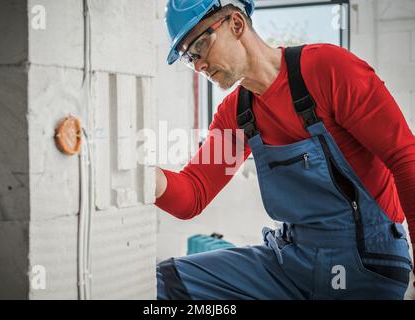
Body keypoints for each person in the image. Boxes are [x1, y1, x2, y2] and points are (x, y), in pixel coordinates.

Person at [155, 0, 415, 299]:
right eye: (189, 58)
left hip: (365, 259)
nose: (198, 65)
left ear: (236, 24)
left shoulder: (328, 69)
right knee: (168, 282)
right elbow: (193, 193)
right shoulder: (237, 113)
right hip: (291, 260)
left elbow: (405, 158)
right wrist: (141, 178)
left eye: (199, 47)